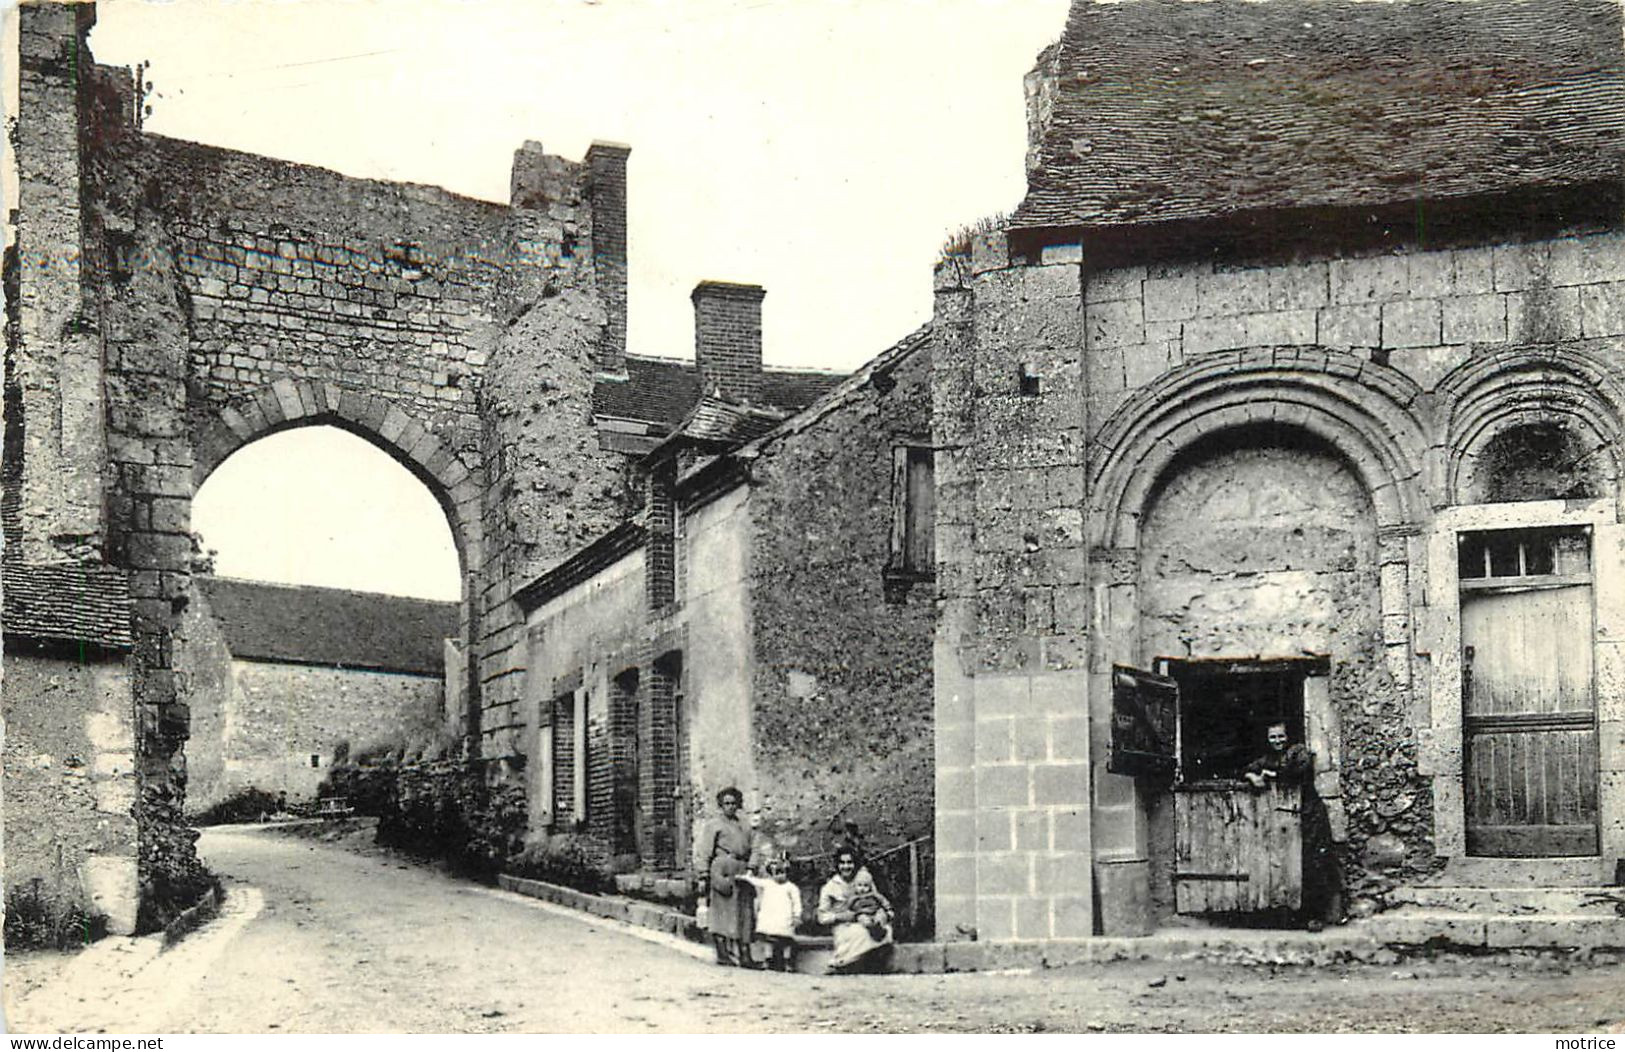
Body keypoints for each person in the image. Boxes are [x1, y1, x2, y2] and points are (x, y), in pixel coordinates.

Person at [1242, 721, 1345, 931]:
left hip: (1310, 815)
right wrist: (1253, 776)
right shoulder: (1269, 758)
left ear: (1288, 737)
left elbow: (1299, 771)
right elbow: (1249, 768)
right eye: (1273, 737)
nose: (1277, 741)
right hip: (1288, 819)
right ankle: (1294, 915)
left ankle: (1319, 916)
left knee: (1314, 862)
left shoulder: (1298, 752)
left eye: (1281, 736)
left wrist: (1274, 775)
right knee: (1287, 864)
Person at [695, 785, 759, 968]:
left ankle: (745, 955)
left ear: (738, 805)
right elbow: (705, 851)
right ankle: (722, 953)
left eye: (734, 803)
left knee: (744, 912)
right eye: (726, 803)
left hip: (741, 869)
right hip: (722, 868)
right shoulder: (713, 825)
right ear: (721, 805)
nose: (730, 806)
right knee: (722, 911)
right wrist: (703, 875)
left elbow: (755, 847)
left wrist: (752, 867)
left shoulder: (745, 826)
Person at [816, 847, 894, 974]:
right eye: (842, 863)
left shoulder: (863, 879)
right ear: (837, 865)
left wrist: (882, 912)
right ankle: (841, 964)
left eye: (850, 862)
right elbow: (822, 917)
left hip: (867, 918)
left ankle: (864, 964)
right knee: (859, 932)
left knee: (885, 929)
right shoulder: (830, 887)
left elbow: (875, 899)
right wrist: (841, 916)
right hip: (844, 925)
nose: (846, 867)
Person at [741, 855, 803, 972]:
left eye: (782, 872)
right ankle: (767, 960)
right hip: (770, 919)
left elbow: (797, 902)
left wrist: (797, 915)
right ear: (772, 873)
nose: (779, 876)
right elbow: (756, 881)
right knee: (768, 940)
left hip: (784, 919)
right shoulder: (768, 884)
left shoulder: (791, 888)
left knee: (786, 942)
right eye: (776, 872)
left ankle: (787, 962)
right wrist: (747, 877)